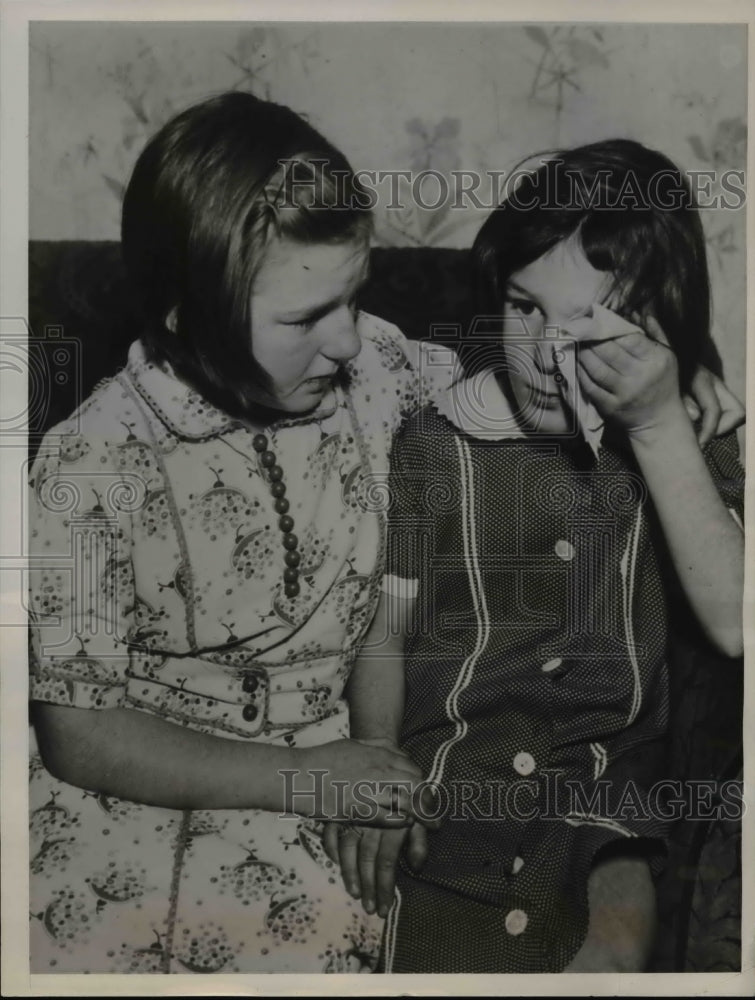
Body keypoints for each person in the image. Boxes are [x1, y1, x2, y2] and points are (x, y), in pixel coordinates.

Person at [27, 91, 446, 974]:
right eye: (301, 319)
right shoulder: (89, 462)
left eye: (353, 296)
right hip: (120, 806)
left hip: (328, 797)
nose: (345, 342)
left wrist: (676, 397)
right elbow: (79, 735)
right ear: (189, 316)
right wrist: (312, 778)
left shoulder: (383, 372)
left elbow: (520, 393)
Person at [326, 139, 746, 973]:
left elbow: (736, 628)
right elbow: (385, 629)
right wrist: (378, 769)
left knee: (610, 949)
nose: (547, 351)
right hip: (449, 790)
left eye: (590, 322)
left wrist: (665, 417)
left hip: (602, 815)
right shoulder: (434, 444)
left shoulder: (685, 447)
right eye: (524, 309)